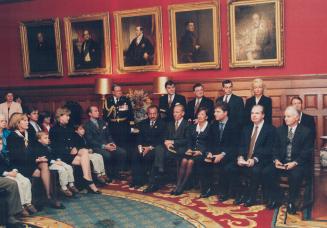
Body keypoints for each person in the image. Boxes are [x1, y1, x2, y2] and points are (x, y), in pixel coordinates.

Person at [7, 113, 64, 209]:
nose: (27, 122)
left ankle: (49, 197)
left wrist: (39, 158)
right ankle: (42, 199)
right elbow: (16, 157)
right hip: (20, 165)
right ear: (17, 123)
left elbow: (35, 149)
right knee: (41, 172)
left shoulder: (29, 133)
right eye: (24, 120)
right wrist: (35, 159)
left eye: (27, 120)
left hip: (31, 162)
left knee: (44, 164)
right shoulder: (12, 137)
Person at [263, 106, 313, 214]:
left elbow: (306, 153)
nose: (285, 118)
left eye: (288, 116)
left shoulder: (306, 132)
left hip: (297, 163)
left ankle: (291, 201)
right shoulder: (279, 130)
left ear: (297, 118)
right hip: (281, 162)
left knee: (296, 175)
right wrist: (276, 160)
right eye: (285, 116)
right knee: (267, 171)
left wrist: (294, 163)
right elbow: (274, 148)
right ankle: (276, 198)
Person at [49, 107, 100, 194]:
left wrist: (74, 147)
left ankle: (87, 179)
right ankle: (90, 182)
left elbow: (76, 140)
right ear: (60, 116)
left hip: (72, 153)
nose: (69, 117)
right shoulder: (54, 129)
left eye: (69, 116)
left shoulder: (69, 126)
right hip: (61, 156)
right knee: (85, 159)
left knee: (84, 151)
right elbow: (55, 148)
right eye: (67, 116)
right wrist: (69, 150)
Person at [233, 105, 276, 207]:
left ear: (263, 115)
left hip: (261, 160)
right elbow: (242, 145)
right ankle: (239, 195)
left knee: (255, 170)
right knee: (231, 167)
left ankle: (251, 197)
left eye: (257, 113)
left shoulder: (270, 129)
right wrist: (240, 157)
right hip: (245, 159)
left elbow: (268, 149)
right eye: (252, 113)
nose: (254, 115)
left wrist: (255, 159)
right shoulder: (246, 128)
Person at [143, 104, 189, 193]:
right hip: (168, 148)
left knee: (158, 154)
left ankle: (156, 177)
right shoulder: (170, 124)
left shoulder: (187, 124)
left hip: (179, 149)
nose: (174, 114)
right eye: (173, 112)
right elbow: (164, 137)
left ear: (182, 113)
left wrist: (173, 142)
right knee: (159, 148)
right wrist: (167, 144)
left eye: (177, 112)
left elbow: (186, 140)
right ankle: (158, 172)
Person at [200, 102, 239, 201]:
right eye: (214, 111)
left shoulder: (234, 125)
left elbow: (234, 146)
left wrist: (222, 155)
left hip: (229, 155)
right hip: (215, 154)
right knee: (203, 161)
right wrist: (209, 152)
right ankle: (209, 189)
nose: (215, 114)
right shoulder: (214, 124)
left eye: (218, 111)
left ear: (225, 113)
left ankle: (223, 192)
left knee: (225, 166)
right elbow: (209, 142)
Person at [171, 107, 210, 196]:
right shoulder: (193, 126)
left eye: (202, 114)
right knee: (184, 160)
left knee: (190, 161)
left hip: (202, 153)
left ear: (206, 117)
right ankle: (178, 185)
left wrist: (201, 152)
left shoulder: (209, 127)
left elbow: (210, 143)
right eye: (199, 114)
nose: (200, 116)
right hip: (192, 151)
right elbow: (189, 140)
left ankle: (181, 187)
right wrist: (188, 149)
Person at [84, 106, 127, 181]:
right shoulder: (87, 125)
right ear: (90, 114)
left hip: (108, 145)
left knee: (122, 152)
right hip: (96, 147)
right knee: (107, 155)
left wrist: (112, 143)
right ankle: (108, 174)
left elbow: (108, 135)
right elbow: (90, 140)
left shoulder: (102, 122)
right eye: (95, 111)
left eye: (98, 111)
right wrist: (104, 146)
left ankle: (117, 173)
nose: (98, 112)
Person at [33, 131, 79, 197]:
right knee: (62, 170)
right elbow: (45, 159)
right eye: (45, 138)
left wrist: (58, 159)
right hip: (50, 164)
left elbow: (56, 153)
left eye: (47, 137)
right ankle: (64, 187)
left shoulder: (49, 145)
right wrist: (55, 162)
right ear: (39, 140)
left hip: (56, 161)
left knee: (69, 167)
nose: (47, 139)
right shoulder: (38, 147)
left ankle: (71, 184)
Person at [130, 105, 165, 188]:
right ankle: (137, 181)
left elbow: (161, 139)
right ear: (147, 114)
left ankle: (150, 181)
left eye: (154, 114)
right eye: (150, 114)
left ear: (157, 114)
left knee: (149, 156)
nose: (152, 116)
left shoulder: (162, 124)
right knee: (135, 154)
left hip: (154, 148)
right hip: (142, 146)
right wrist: (140, 147)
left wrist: (149, 148)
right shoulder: (143, 123)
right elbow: (139, 136)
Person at [1, 136, 37, 216]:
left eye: (0, 144)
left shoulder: (3, 153)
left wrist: (14, 170)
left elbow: (11, 163)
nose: (0, 146)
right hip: (4, 175)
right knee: (16, 183)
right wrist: (8, 173)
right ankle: (21, 206)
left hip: (11, 172)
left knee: (26, 181)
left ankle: (28, 203)